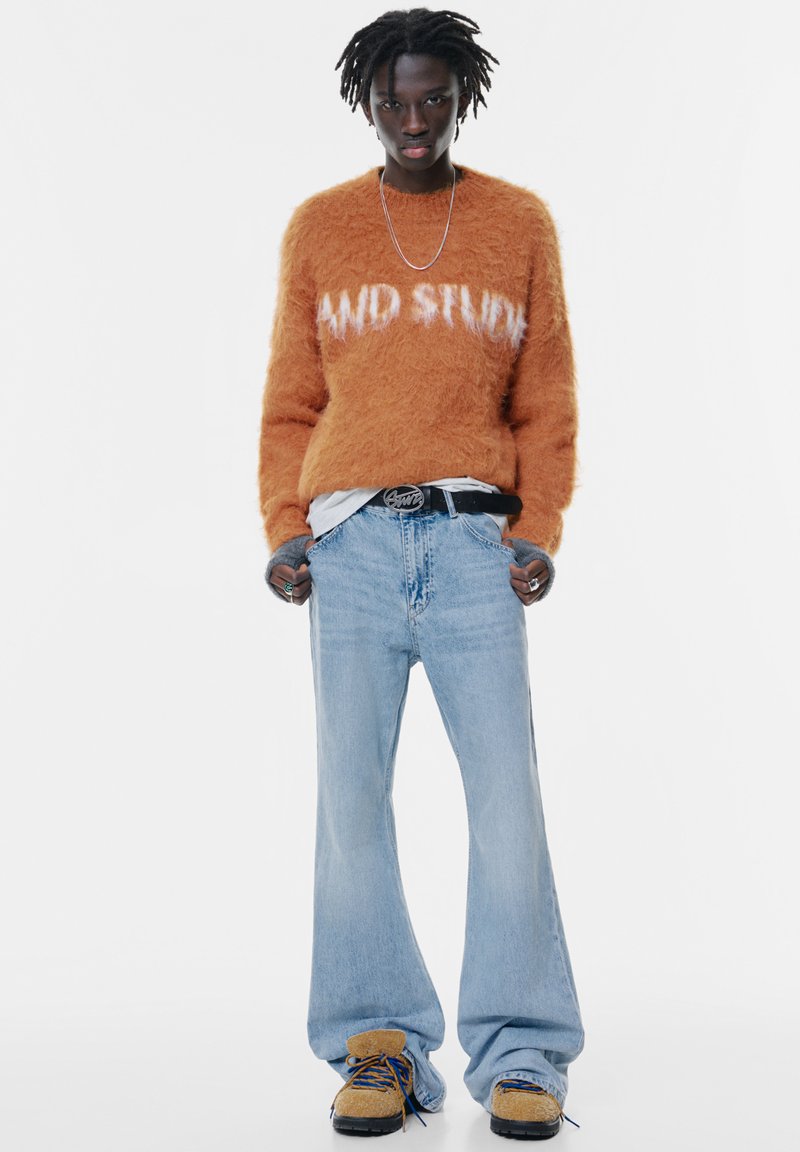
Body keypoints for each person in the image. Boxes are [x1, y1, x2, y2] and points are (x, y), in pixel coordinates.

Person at [257, 7, 585, 1139]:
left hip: (472, 546)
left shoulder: (517, 222)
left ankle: (522, 1047)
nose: (413, 119)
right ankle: (378, 1042)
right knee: (350, 802)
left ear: (460, 99)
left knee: (506, 801)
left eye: (433, 98)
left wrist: (538, 528)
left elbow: (546, 397)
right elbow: (292, 399)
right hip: (348, 547)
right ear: (367, 99)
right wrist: (285, 529)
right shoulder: (320, 228)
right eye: (394, 99)